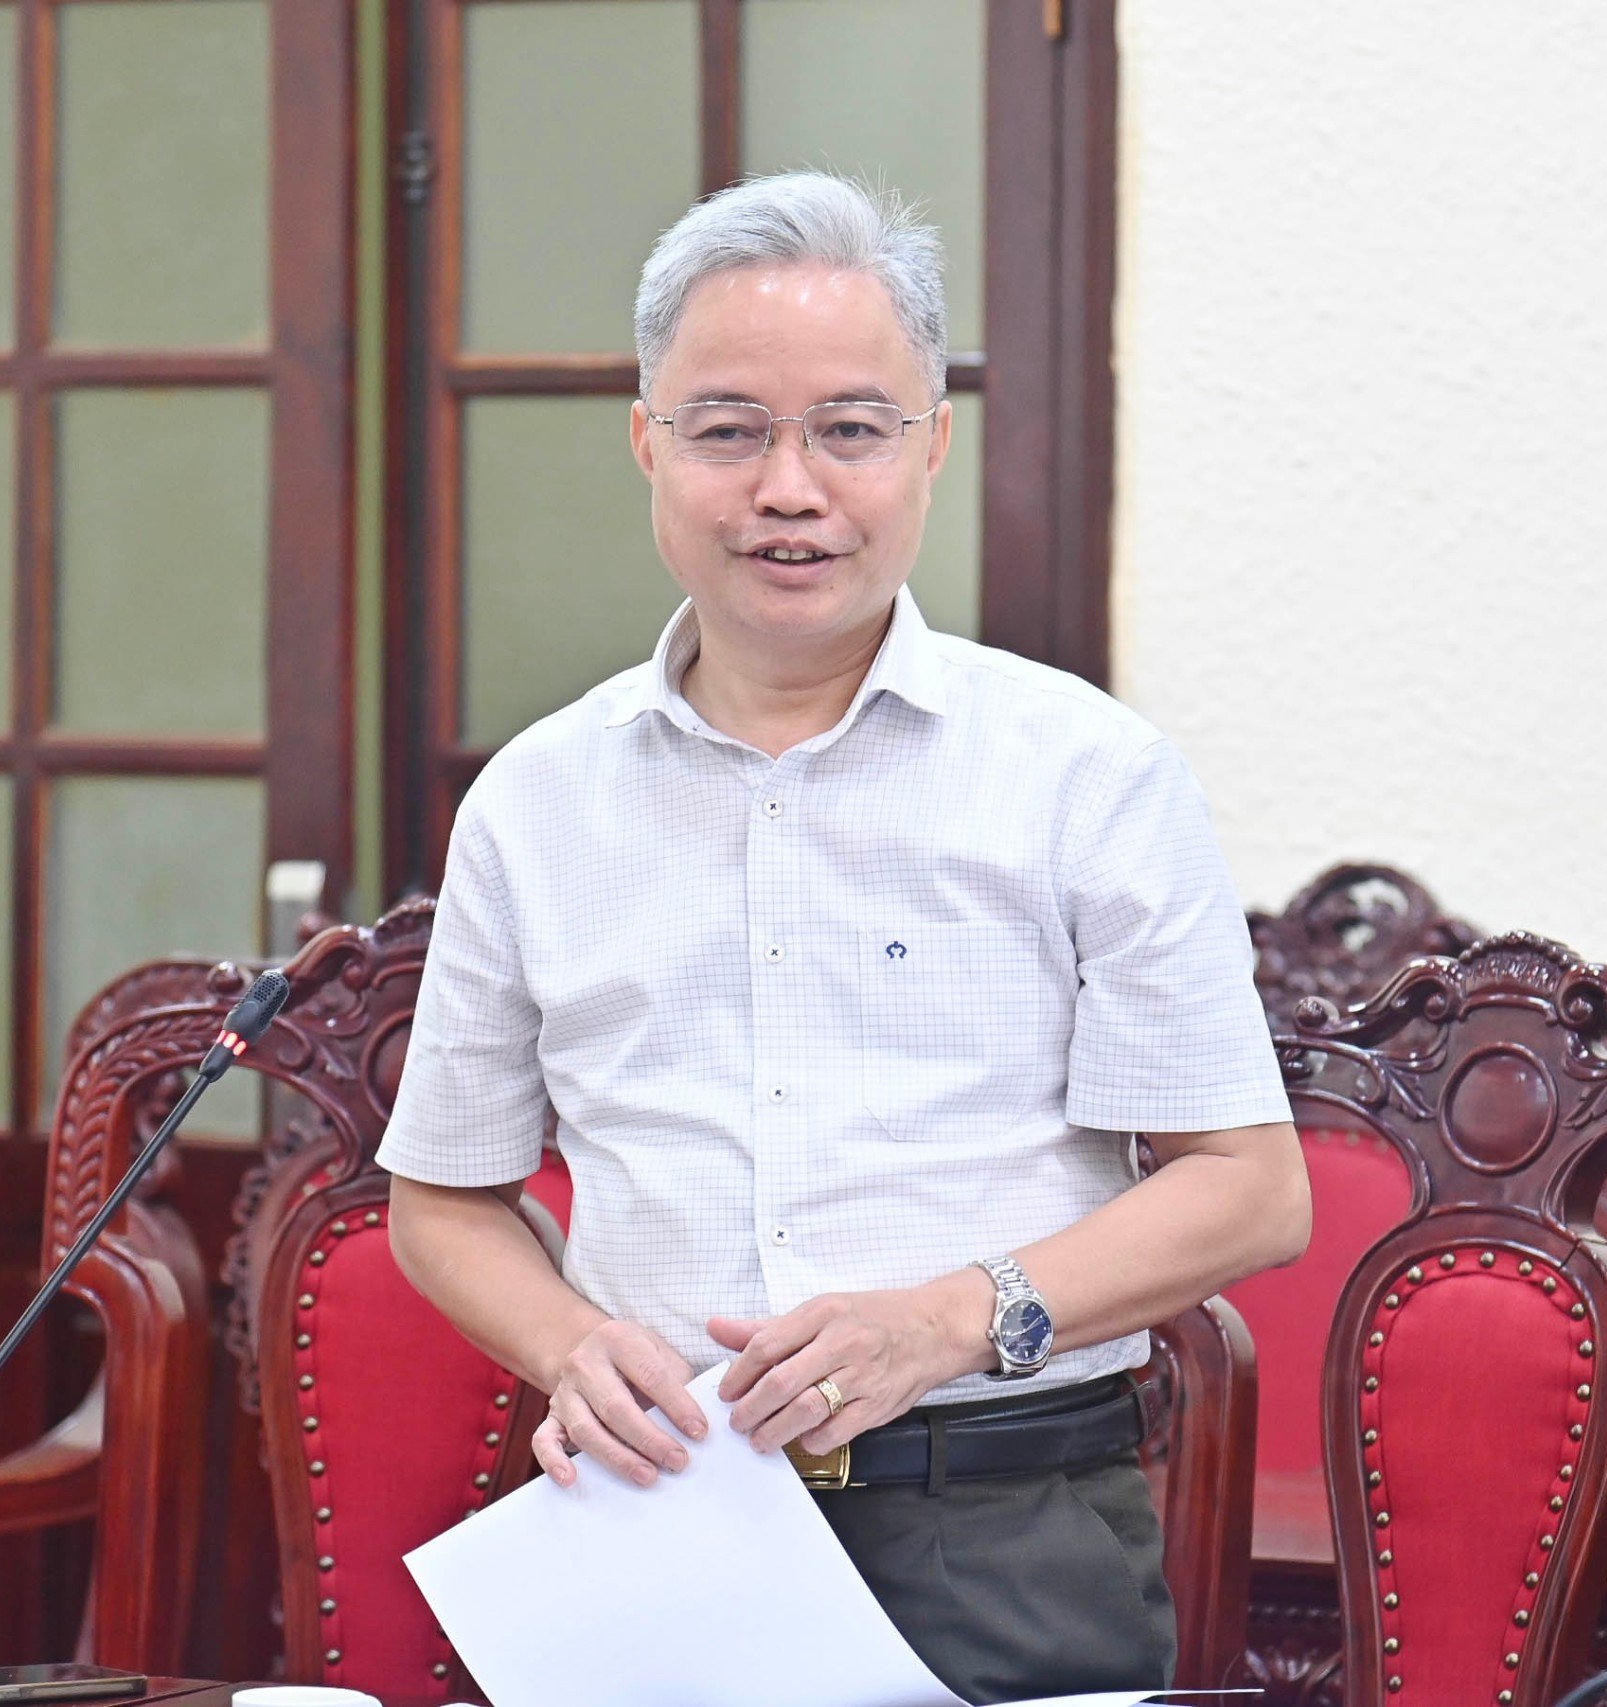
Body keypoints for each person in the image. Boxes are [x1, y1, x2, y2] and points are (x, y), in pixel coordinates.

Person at [379, 170, 1309, 1704]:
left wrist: (946, 1322)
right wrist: (567, 1346)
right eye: (728, 431)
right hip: (658, 1518)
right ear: (647, 444)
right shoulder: (537, 802)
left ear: (932, 446)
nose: (789, 487)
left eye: (852, 431)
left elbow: (1251, 1191)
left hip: (1003, 1523)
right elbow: (441, 1201)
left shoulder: (1087, 774)